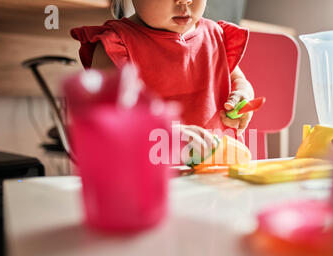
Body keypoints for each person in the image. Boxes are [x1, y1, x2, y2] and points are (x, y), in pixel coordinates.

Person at [71, 0, 254, 162]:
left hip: (217, 175)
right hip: (147, 183)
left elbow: (238, 80)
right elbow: (106, 119)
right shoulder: (117, 44)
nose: (185, 1)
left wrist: (242, 96)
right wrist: (163, 135)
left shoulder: (216, 35)